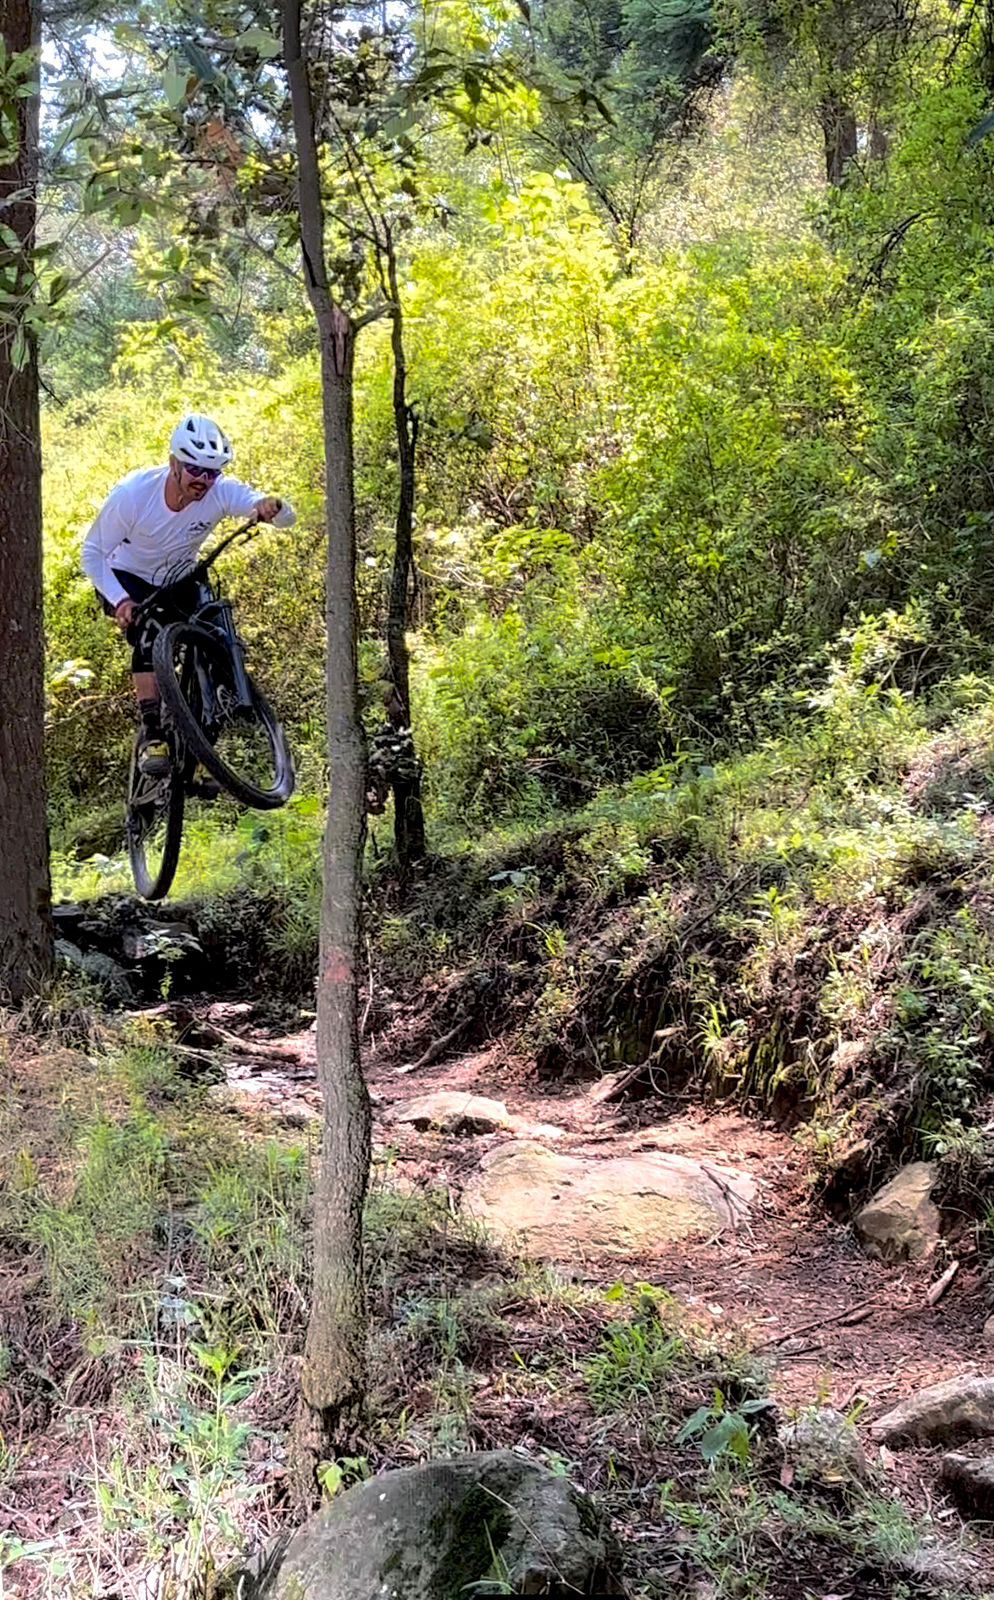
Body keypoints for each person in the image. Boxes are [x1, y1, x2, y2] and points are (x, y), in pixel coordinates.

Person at [83, 412, 295, 776]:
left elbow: (282, 516)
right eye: (195, 470)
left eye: (212, 472)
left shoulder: (221, 491)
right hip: (127, 575)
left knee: (216, 630)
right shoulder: (133, 495)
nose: (203, 481)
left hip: (180, 575)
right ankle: (152, 733)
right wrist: (120, 599)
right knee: (149, 633)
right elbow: (92, 553)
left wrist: (273, 506)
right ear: (174, 464)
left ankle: (206, 735)